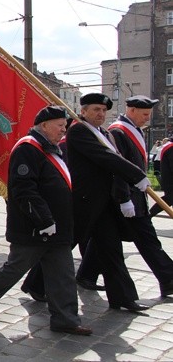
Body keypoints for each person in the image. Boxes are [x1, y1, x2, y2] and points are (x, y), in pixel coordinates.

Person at [0, 106, 92, 336]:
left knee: (63, 274)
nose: (64, 130)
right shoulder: (28, 148)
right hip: (35, 227)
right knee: (15, 268)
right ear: (44, 126)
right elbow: (24, 189)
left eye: (65, 126)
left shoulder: (51, 148)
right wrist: (44, 219)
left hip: (58, 228)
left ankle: (65, 318)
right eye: (60, 126)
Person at [65, 93, 150, 311]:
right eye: (95, 110)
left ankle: (123, 297)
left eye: (103, 110)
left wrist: (124, 198)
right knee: (65, 246)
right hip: (84, 202)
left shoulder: (105, 133)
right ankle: (35, 284)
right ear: (83, 111)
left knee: (112, 249)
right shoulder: (78, 131)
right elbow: (105, 157)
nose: (101, 114)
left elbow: (116, 165)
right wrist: (136, 174)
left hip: (106, 204)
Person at [108, 95, 173, 297]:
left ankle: (86, 275)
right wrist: (124, 198)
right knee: (148, 241)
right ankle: (169, 279)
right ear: (131, 110)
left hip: (136, 197)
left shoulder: (133, 130)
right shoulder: (119, 132)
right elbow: (117, 167)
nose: (147, 118)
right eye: (144, 114)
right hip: (128, 198)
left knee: (104, 242)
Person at [151, 135, 173, 217]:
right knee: (168, 199)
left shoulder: (169, 146)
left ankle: (148, 215)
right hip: (170, 181)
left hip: (168, 180)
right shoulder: (170, 147)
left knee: (168, 199)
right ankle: (148, 215)